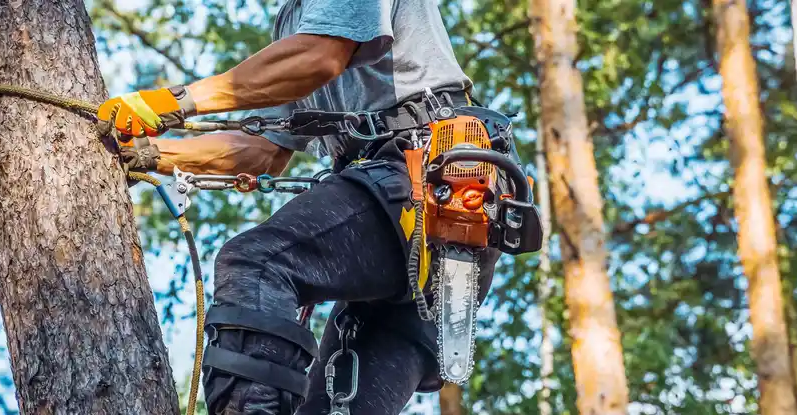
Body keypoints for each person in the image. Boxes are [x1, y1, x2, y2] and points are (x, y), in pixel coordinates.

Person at [98, 1, 511, 413]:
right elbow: (260, 152)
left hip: (428, 175)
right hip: (408, 205)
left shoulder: (309, 40)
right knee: (330, 407)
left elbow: (320, 56)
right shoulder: (293, 22)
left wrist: (176, 100)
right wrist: (149, 154)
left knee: (256, 264)